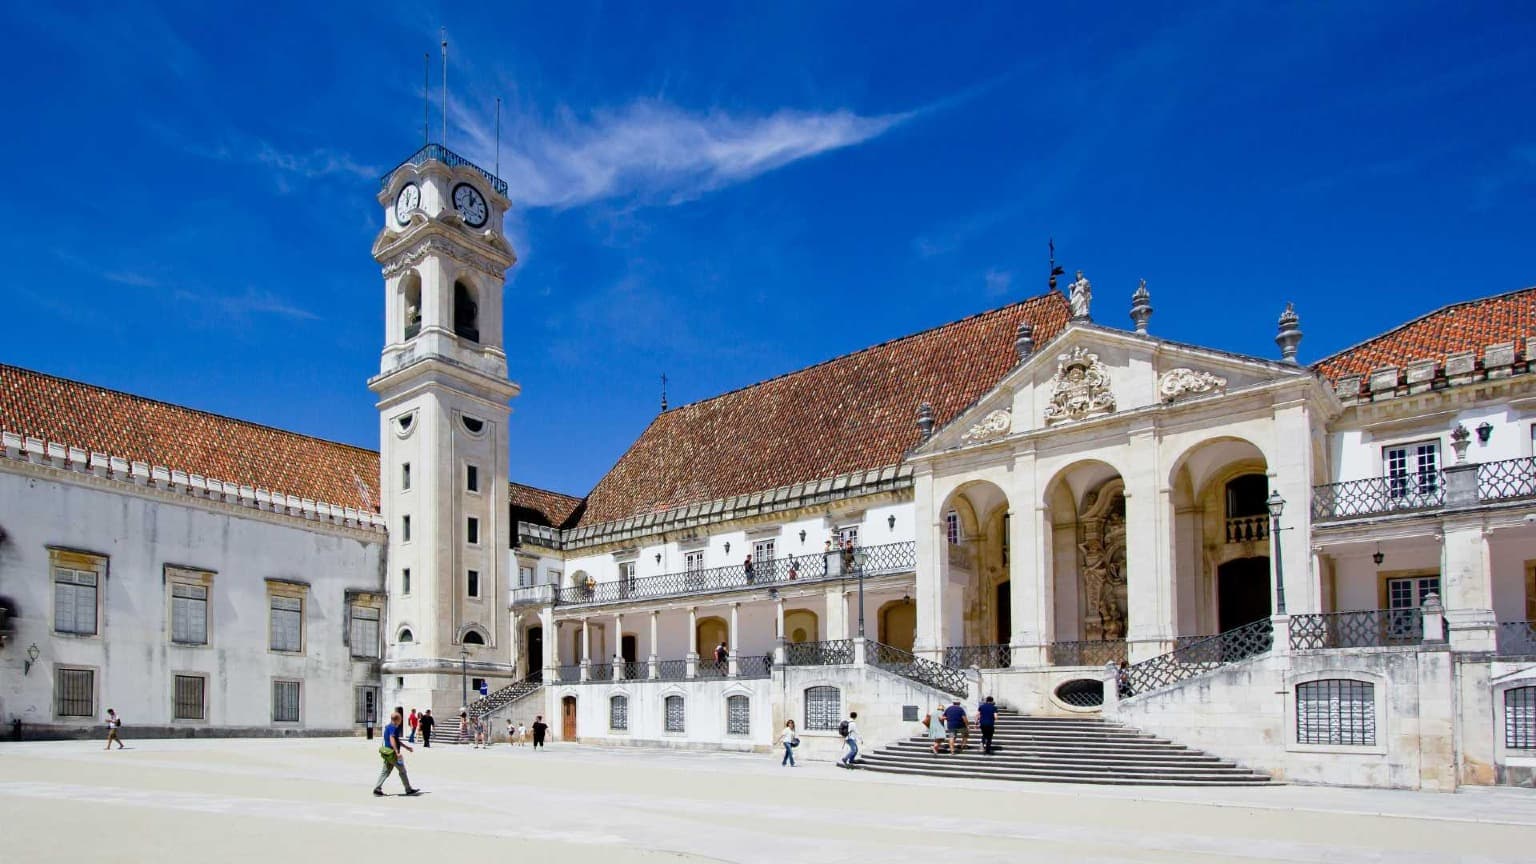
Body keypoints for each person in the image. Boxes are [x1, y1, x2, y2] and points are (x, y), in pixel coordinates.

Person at [373, 709, 422, 797]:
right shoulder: (393, 727)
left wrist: (407, 747)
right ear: (396, 720)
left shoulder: (388, 726)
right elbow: (392, 739)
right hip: (393, 754)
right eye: (400, 719)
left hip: (388, 753)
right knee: (402, 771)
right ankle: (408, 789)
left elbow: (397, 740)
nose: (401, 721)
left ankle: (377, 789)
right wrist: (397, 752)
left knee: (386, 771)